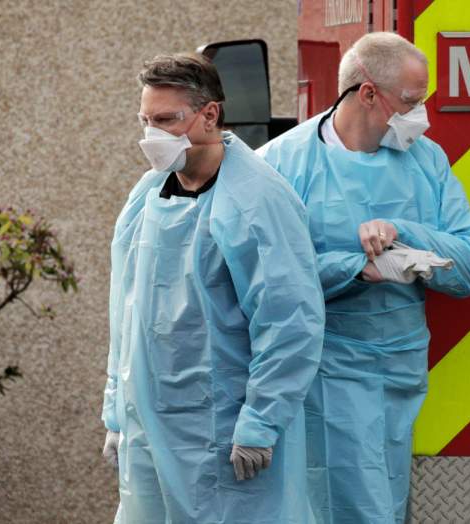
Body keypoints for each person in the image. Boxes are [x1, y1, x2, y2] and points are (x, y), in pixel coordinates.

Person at [259, 32, 470, 523]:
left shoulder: (426, 160)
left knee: (383, 502)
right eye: (409, 102)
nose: (419, 116)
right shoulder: (282, 166)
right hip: (325, 370)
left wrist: (403, 233)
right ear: (367, 93)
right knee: (340, 505)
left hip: (400, 369)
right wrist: (358, 268)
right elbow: (264, 282)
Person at [101, 52, 325, 524]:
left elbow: (289, 321)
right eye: (146, 120)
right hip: (151, 427)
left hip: (224, 434)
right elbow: (126, 312)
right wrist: (116, 414)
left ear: (209, 115)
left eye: (167, 120)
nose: (153, 136)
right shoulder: (148, 195)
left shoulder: (256, 202)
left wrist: (261, 421)